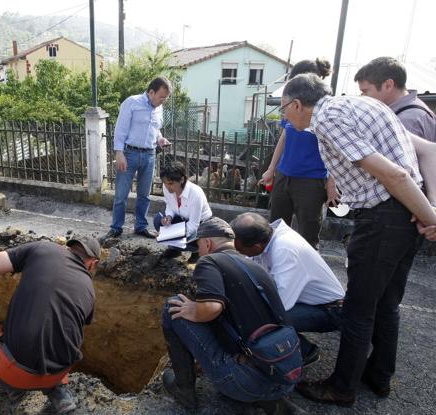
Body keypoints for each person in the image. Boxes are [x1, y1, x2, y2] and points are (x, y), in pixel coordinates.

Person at [279, 73, 436, 406]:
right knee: (386, 303)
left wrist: (432, 217)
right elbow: (425, 155)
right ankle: (378, 377)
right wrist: (424, 208)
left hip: (383, 216)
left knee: (357, 308)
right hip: (404, 214)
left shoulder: (327, 119)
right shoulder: (360, 104)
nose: (284, 117)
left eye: (283, 109)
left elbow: (394, 174)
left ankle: (341, 387)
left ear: (296, 104)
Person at [161, 217, 306, 415]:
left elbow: (211, 308)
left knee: (173, 306)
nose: (199, 252)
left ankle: (184, 390)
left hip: (243, 382)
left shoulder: (209, 261)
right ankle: (273, 401)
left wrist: (193, 308)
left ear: (207, 243)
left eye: (199, 247)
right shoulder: (256, 268)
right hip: (285, 375)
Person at [0, 236, 100, 415]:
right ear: (92, 263)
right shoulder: (89, 290)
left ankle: (15, 388)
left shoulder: (43, 248)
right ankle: (58, 391)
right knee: (55, 330)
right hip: (59, 371)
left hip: (12, 372)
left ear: (67, 248)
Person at [230, 212, 345, 366]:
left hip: (331, 310)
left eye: (242, 251)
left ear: (257, 246)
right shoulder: (266, 238)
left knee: (258, 318)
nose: (241, 254)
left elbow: (278, 304)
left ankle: (305, 352)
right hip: (309, 303)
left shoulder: (285, 250)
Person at [260, 58, 339, 249]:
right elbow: (284, 136)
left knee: (308, 237)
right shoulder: (293, 106)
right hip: (284, 175)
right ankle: (276, 271)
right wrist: (272, 169)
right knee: (277, 229)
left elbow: (337, 150)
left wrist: (331, 182)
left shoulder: (327, 111)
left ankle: (307, 276)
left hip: (312, 180)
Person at [104, 76, 172, 240]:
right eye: (162, 97)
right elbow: (121, 129)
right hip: (129, 154)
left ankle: (140, 226)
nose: (163, 101)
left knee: (144, 194)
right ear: (151, 92)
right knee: (121, 194)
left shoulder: (159, 108)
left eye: (166, 98)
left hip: (149, 155)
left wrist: (160, 139)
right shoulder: (132, 103)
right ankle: (116, 227)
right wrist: (119, 153)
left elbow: (156, 129)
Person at [355, 56, 436, 142]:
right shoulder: (413, 108)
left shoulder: (406, 122)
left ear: (388, 85)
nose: (363, 96)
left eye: (365, 91)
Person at [153, 161, 212, 262]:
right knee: (158, 221)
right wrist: (169, 217)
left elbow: (194, 225)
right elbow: (170, 205)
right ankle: (175, 249)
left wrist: (172, 234)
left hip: (201, 226)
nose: (167, 187)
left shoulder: (195, 194)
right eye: (165, 183)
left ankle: (196, 251)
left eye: (171, 183)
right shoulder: (167, 187)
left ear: (182, 179)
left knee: (184, 236)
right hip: (183, 219)